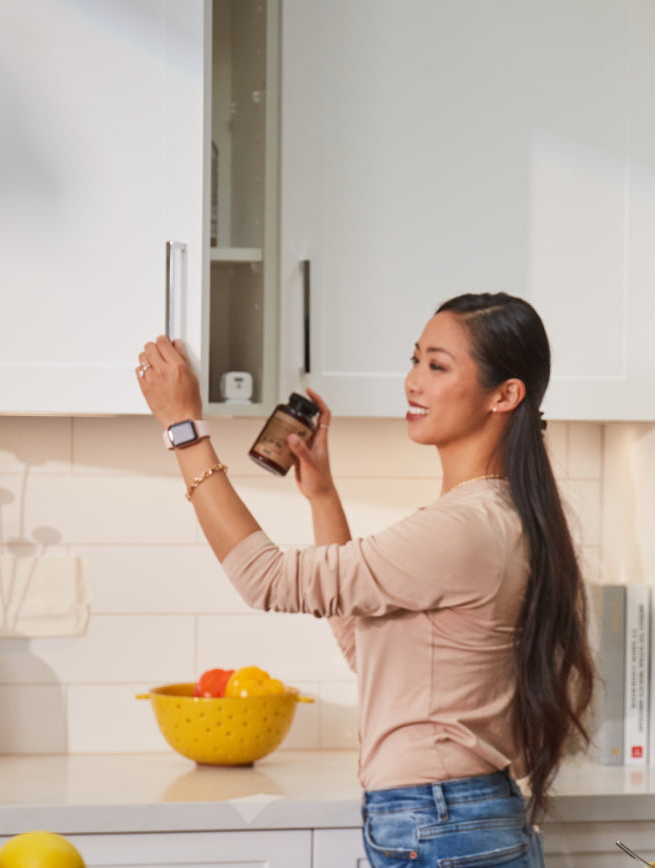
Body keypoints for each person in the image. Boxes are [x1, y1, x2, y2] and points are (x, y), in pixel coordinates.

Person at [136, 292, 593, 868]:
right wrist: (322, 494)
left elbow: (266, 579)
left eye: (437, 365)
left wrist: (183, 429)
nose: (413, 382)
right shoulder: (498, 515)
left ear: (505, 395)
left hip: (439, 822)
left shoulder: (463, 529)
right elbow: (367, 647)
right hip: (451, 818)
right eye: (415, 359)